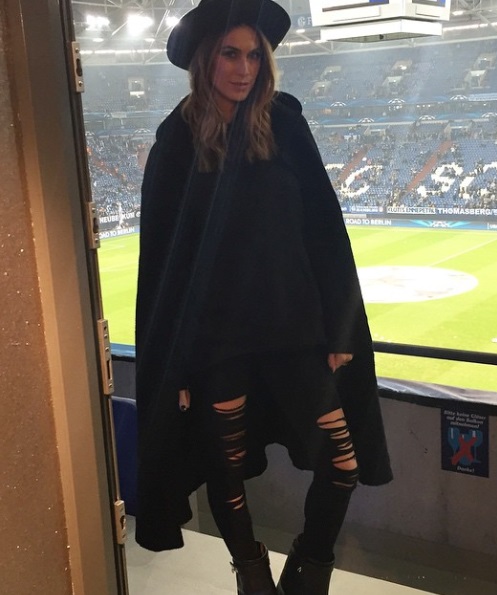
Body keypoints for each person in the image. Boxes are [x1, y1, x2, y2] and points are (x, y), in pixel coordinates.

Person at [134, 1, 392, 593]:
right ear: (206, 59)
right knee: (225, 475)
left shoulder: (285, 123)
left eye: (254, 55)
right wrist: (173, 363)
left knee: (342, 465)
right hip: (216, 342)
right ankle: (252, 573)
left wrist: (340, 331)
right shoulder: (177, 141)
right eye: (231, 53)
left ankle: (308, 569)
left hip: (294, 333)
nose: (244, 68)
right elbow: (164, 263)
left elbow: (326, 233)